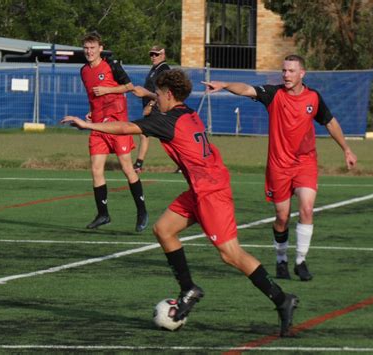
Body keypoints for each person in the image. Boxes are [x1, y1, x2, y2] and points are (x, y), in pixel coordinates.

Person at [62, 69, 299, 337]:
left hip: (211, 192)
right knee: (163, 230)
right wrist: (150, 94)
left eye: (160, 94)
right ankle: (188, 289)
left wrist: (89, 125)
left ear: (169, 95)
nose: (157, 99)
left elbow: (126, 127)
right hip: (201, 187)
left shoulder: (166, 122)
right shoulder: (186, 111)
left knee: (230, 254)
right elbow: (164, 106)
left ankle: (282, 299)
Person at [203, 54, 357, 281]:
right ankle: (281, 259)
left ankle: (301, 261)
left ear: (302, 73)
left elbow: (330, 122)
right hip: (279, 167)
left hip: (305, 163)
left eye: (291, 71)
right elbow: (246, 89)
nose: (286, 75)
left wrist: (346, 149)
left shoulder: (313, 97)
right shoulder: (273, 94)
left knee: (306, 208)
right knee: (282, 216)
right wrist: (225, 84)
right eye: (284, 70)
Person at [80, 31, 148, 232]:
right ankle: (103, 214)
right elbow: (93, 97)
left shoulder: (112, 65)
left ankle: (142, 211)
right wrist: (92, 112)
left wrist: (108, 90)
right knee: (95, 168)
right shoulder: (83, 71)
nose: (89, 51)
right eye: (86, 48)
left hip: (118, 124)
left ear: (100, 48)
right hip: (99, 126)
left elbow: (129, 87)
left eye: (93, 48)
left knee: (127, 168)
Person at [132, 45, 171, 173]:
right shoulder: (155, 68)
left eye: (156, 54)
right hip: (152, 105)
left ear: (163, 55)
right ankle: (138, 164)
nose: (153, 57)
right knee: (145, 133)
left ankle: (138, 164)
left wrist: (150, 105)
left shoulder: (163, 69)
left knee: (166, 137)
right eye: (151, 54)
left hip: (157, 107)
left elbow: (162, 92)